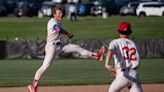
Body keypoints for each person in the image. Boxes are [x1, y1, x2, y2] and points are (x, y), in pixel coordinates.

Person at [28, 4, 105, 92]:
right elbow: (57, 29)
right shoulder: (52, 22)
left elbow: (60, 29)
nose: (61, 14)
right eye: (58, 13)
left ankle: (97, 56)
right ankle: (33, 85)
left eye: (61, 13)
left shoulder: (57, 21)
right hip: (51, 47)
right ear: (54, 14)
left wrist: (67, 33)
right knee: (45, 66)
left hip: (58, 46)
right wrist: (67, 33)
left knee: (76, 48)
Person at [104, 21, 143, 92]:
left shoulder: (115, 42)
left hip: (122, 75)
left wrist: (106, 64)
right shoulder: (133, 44)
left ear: (119, 31)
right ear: (129, 32)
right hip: (134, 74)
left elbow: (110, 51)